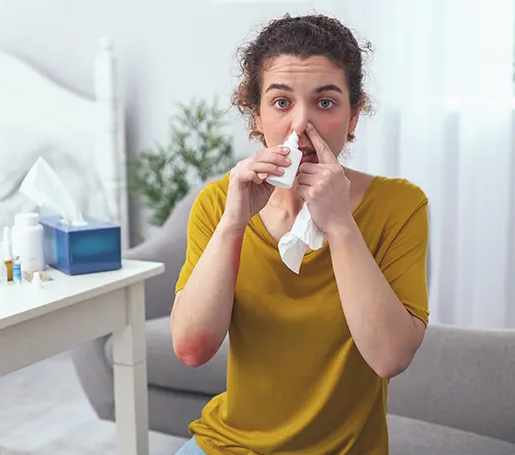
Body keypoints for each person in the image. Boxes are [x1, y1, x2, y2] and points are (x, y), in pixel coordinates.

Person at [171, 13, 430, 455]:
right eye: (281, 102)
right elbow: (192, 349)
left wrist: (341, 227)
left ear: (354, 117)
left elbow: (390, 358)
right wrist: (234, 224)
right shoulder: (220, 203)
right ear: (256, 115)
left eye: (325, 102)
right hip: (227, 445)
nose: (300, 125)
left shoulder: (399, 206)